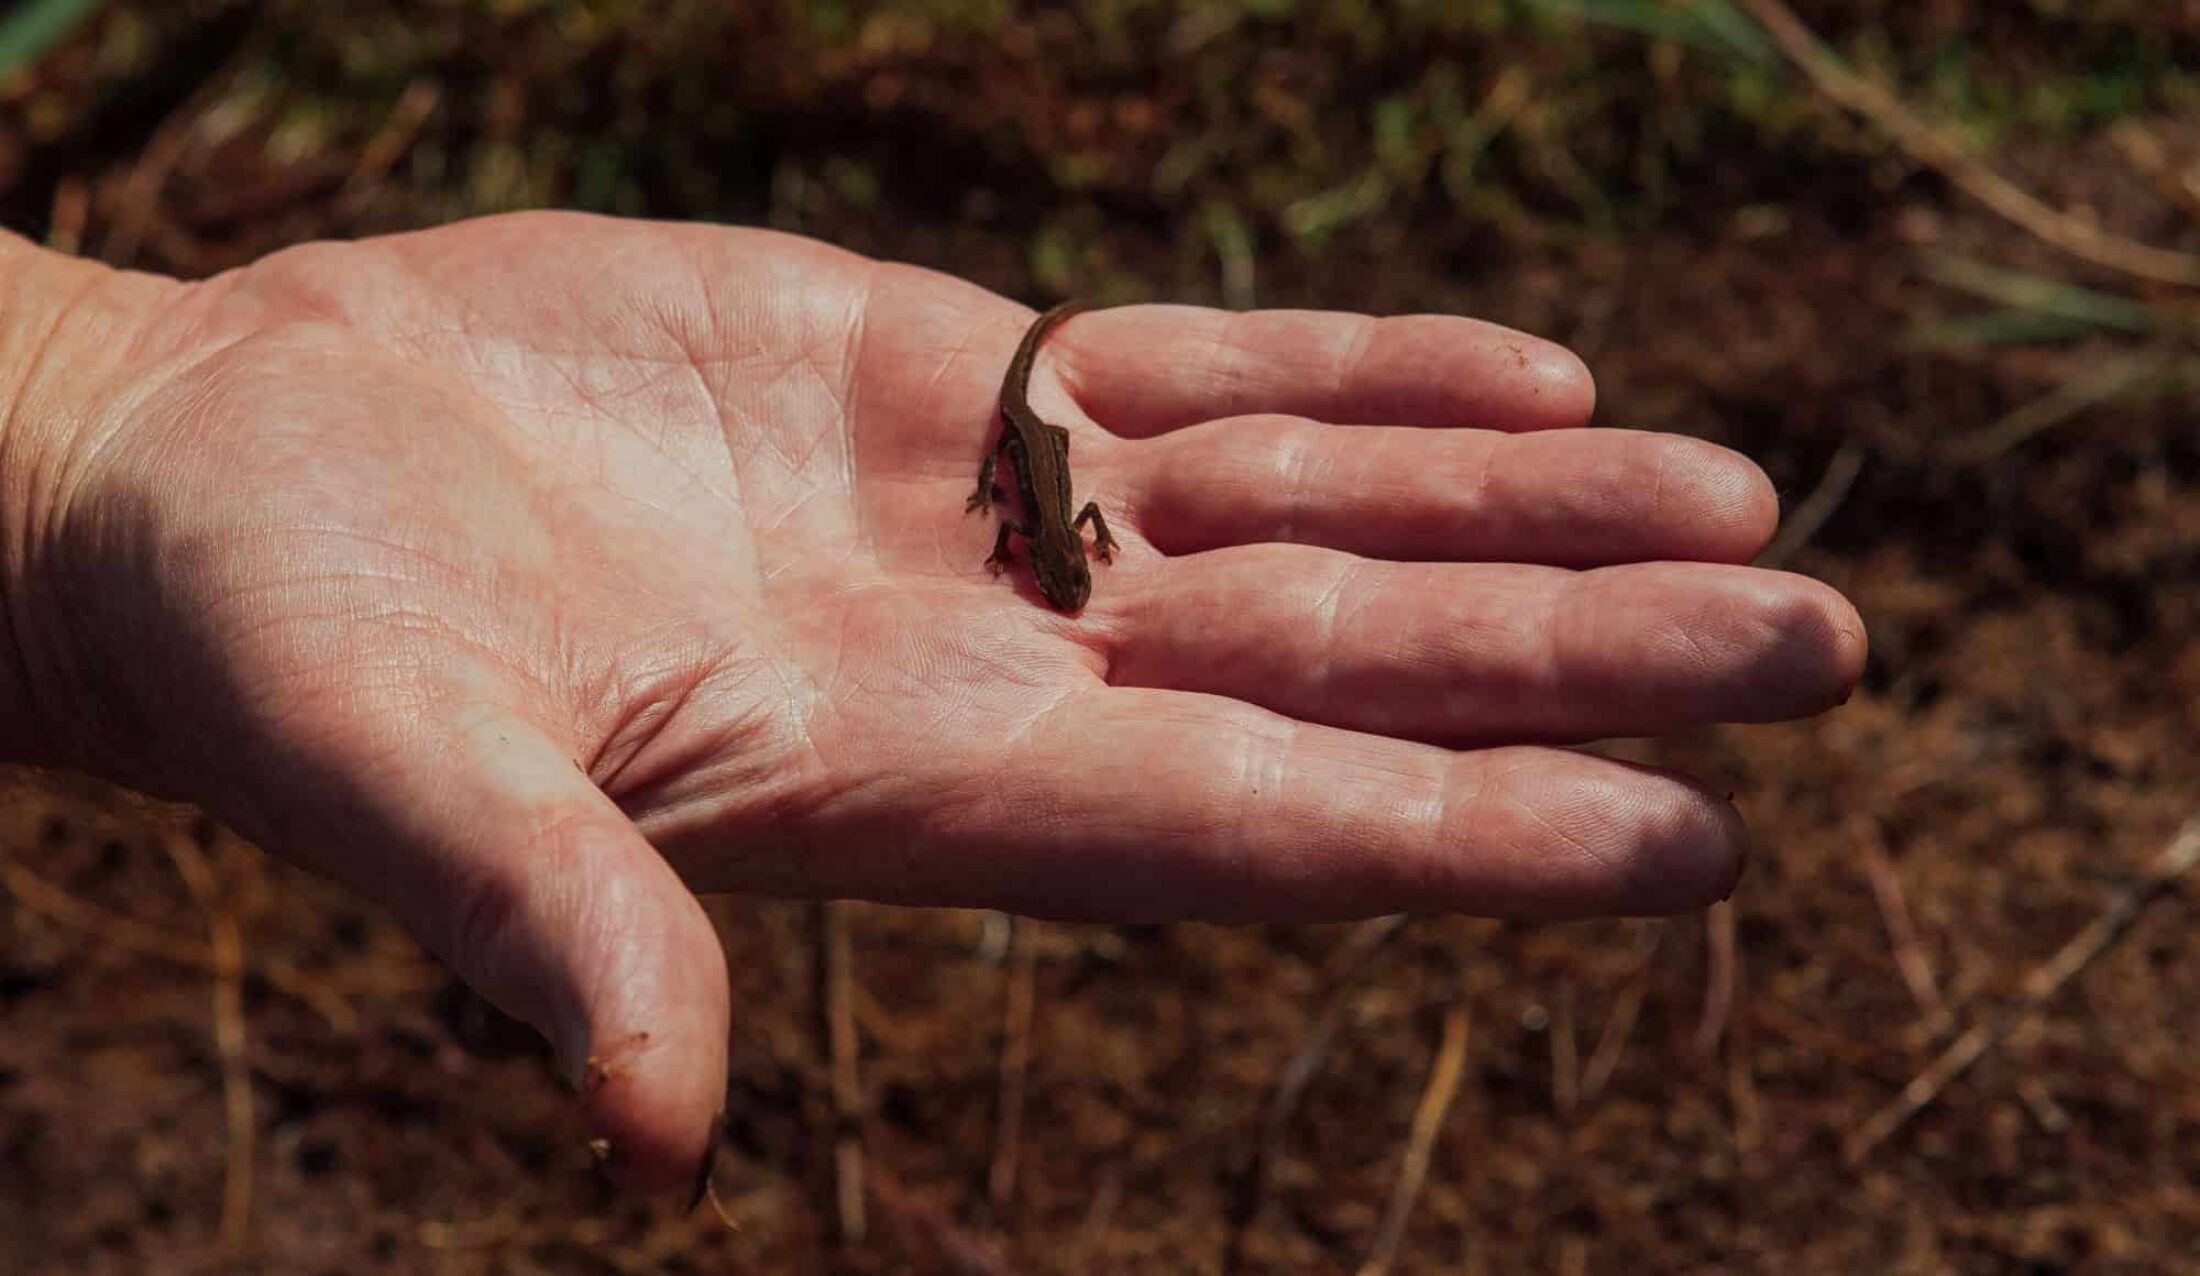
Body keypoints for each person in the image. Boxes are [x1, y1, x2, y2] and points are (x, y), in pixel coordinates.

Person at [0, 212, 1865, 1195]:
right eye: (1057, 566)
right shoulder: (1028, 512)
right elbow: (1025, 489)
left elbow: (1053, 497)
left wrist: (92, 390)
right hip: (1013, 458)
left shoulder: (1064, 519)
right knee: (1021, 452)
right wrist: (84, 414)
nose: (1056, 573)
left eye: (1058, 564)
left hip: (1038, 457)